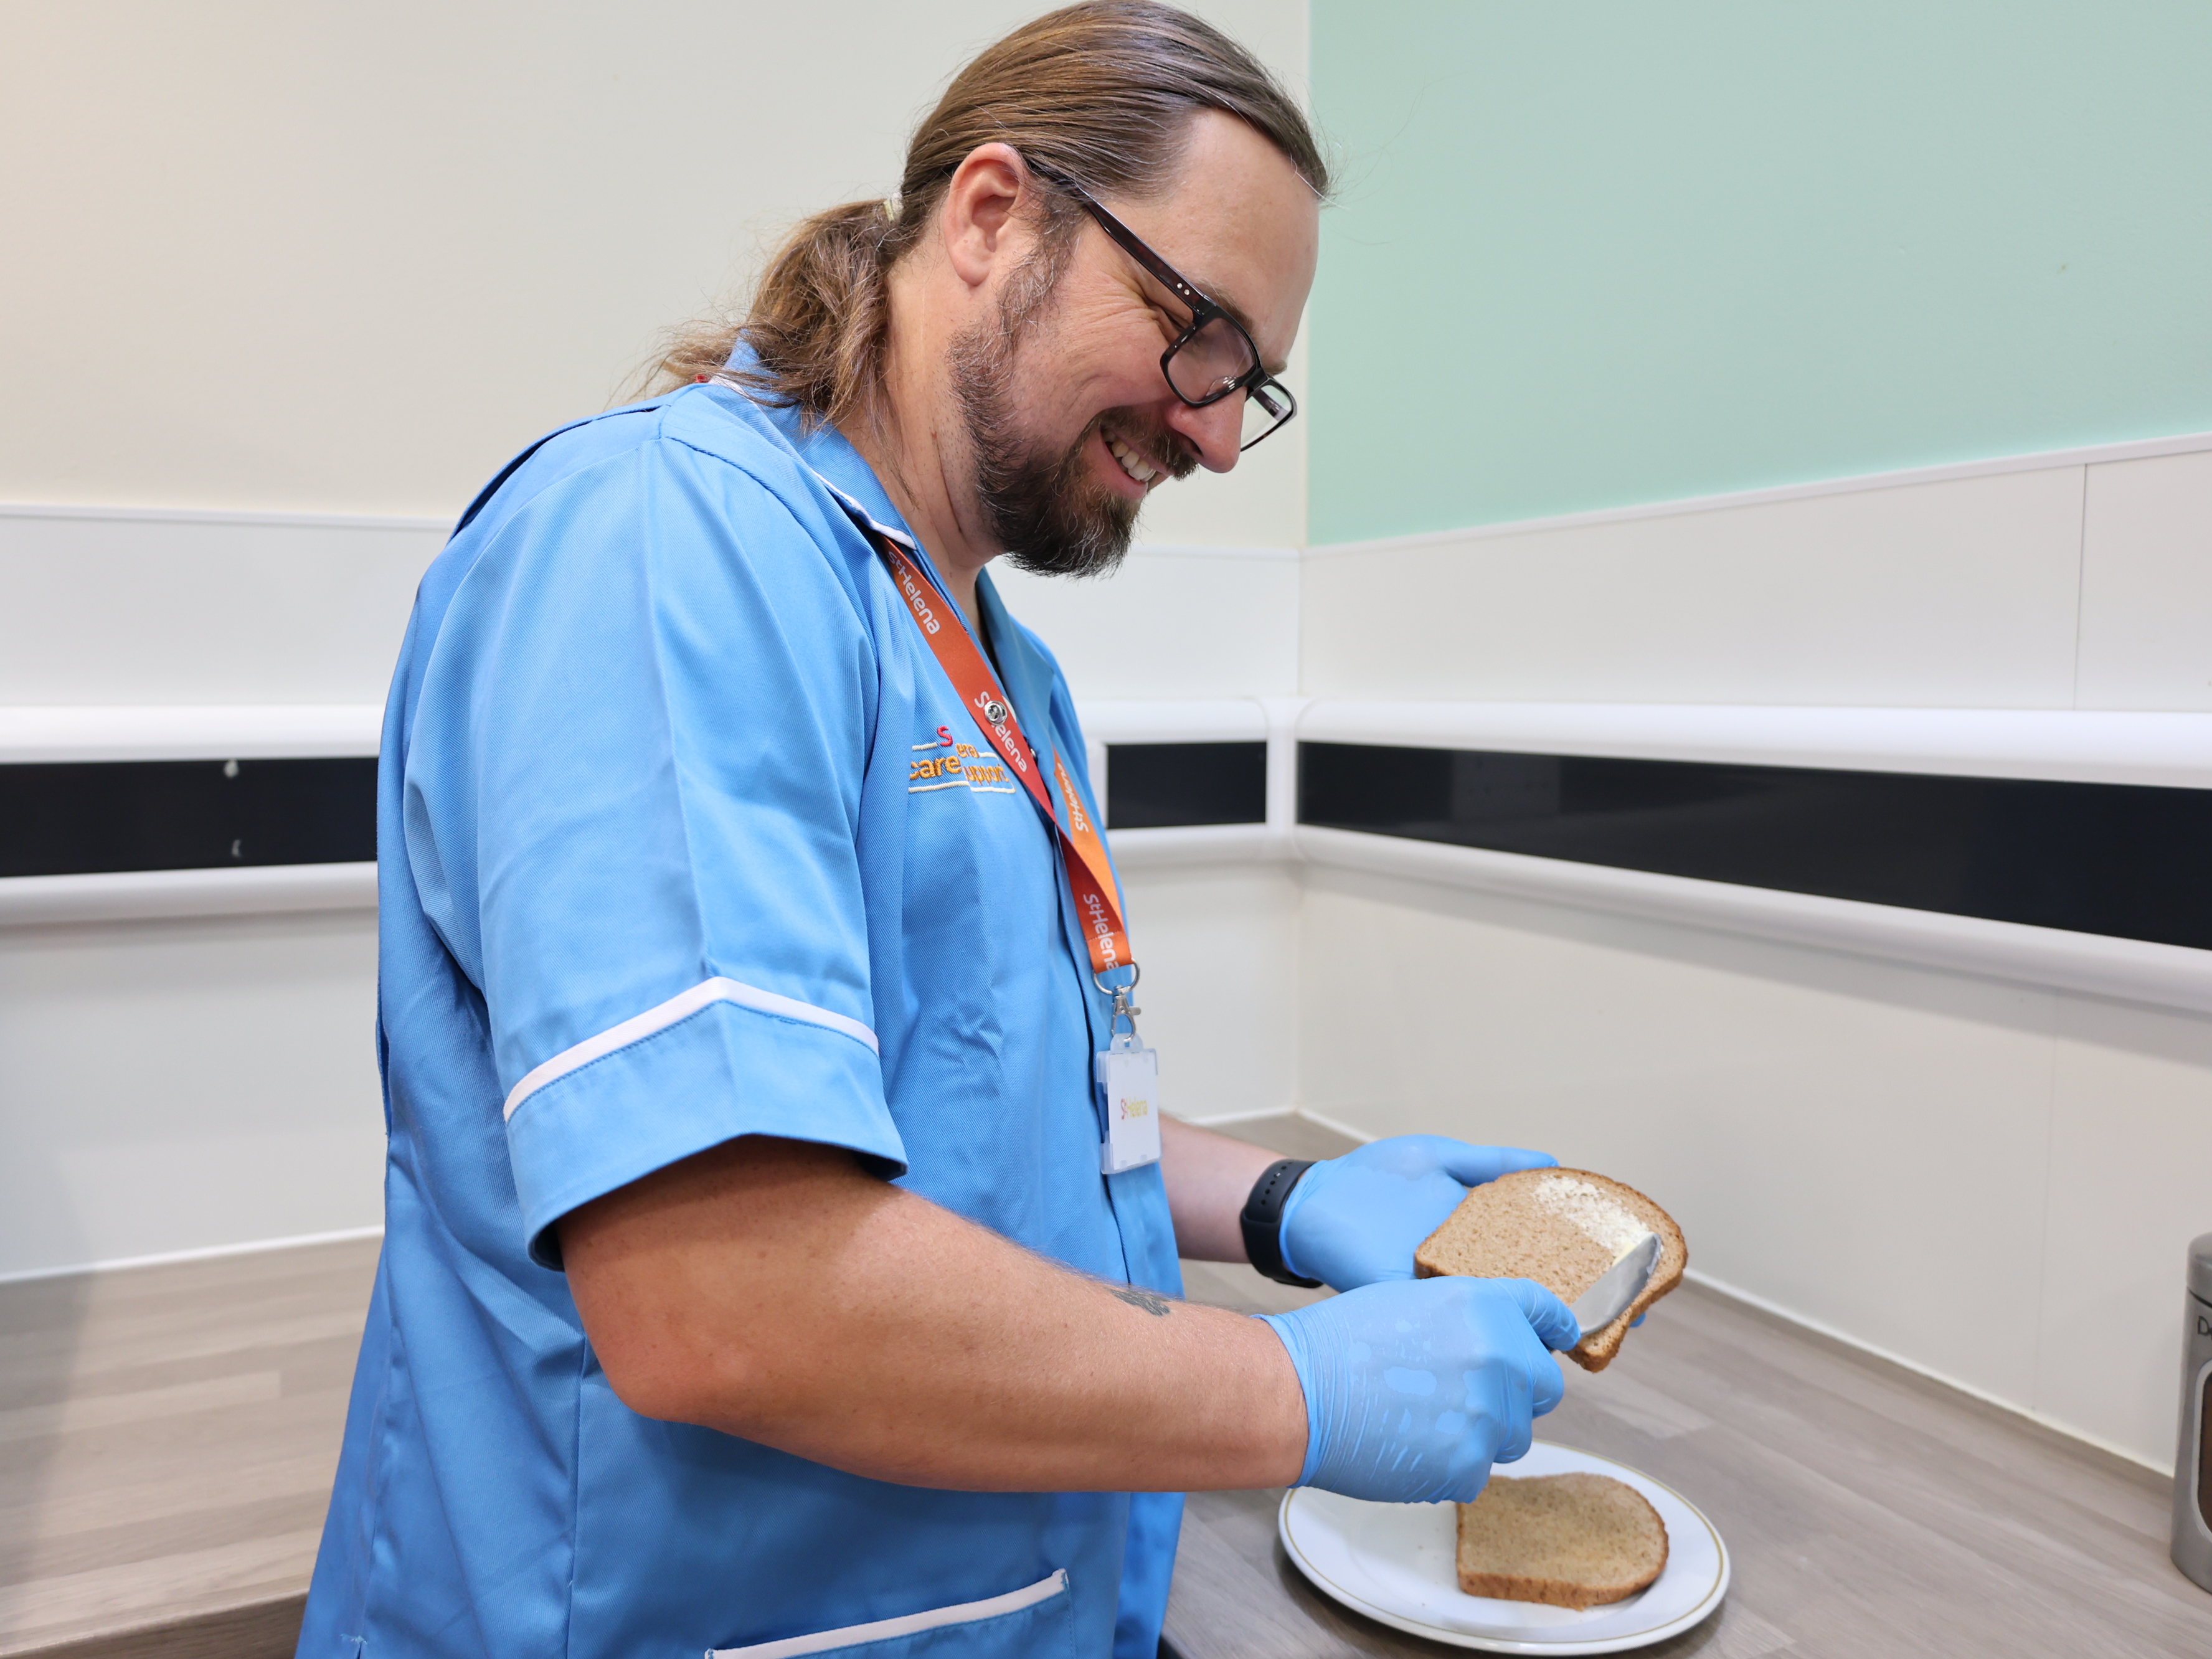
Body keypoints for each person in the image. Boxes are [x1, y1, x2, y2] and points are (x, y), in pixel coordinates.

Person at [298, 6, 1578, 1657]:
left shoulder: (1003, 671)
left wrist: (1275, 1205)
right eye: (1197, 330)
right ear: (992, 218)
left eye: (1247, 384)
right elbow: (723, 1295)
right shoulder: (666, 547)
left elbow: (989, 1111)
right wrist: (1286, 1390)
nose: (1208, 426)